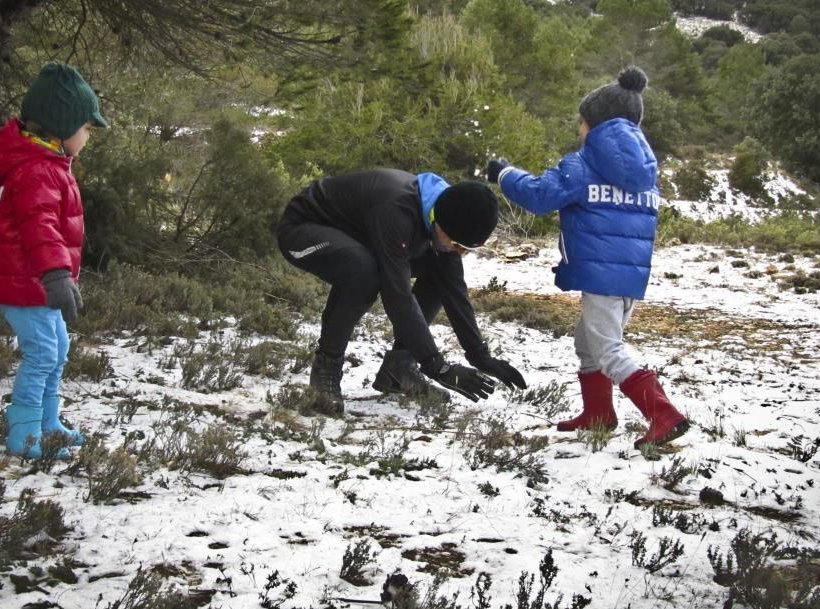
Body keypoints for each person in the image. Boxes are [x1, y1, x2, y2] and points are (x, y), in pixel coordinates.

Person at [486, 66, 689, 449]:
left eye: (581, 123)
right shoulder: (646, 172)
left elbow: (540, 196)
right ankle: (598, 413)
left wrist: (504, 173)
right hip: (631, 275)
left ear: (595, 125)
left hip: (601, 274)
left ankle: (663, 413)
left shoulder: (585, 164)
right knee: (588, 341)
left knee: (608, 350)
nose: (579, 130)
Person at [277, 169, 527, 416]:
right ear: (440, 221)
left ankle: (399, 368)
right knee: (364, 272)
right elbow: (397, 296)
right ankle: (326, 367)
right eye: (458, 244)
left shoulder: (442, 217)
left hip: (356, 237)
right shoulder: (396, 209)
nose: (459, 252)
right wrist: (438, 368)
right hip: (302, 230)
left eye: (467, 249)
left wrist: (480, 356)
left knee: (440, 270)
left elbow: (455, 291)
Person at [0, 62, 109, 459]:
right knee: (42, 353)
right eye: (86, 128)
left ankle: (48, 421)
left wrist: (62, 278)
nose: (88, 136)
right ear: (63, 126)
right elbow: (41, 228)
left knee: (59, 348)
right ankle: (25, 433)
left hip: (37, 282)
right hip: (23, 283)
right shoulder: (37, 170)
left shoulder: (51, 166)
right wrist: (56, 275)